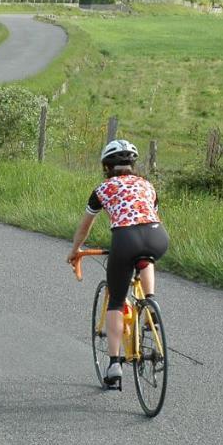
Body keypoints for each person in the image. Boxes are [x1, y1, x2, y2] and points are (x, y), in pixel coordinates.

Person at [65, 139, 169, 389]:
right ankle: (150, 305)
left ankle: (114, 365)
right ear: (132, 165)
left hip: (125, 239)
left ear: (107, 167)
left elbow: (85, 226)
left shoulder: (103, 189)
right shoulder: (147, 184)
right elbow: (150, 214)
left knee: (116, 301)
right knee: (146, 259)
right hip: (157, 236)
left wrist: (76, 249)